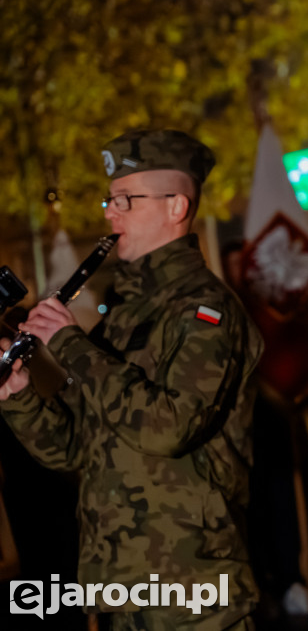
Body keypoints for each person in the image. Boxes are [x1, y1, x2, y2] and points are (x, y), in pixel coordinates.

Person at [0, 129, 263, 630]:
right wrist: (19, 396)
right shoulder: (124, 312)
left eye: (125, 199)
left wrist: (71, 344)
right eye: (110, 198)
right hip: (123, 584)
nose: (109, 212)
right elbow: (74, 446)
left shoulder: (207, 311)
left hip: (193, 589)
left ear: (176, 206)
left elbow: (168, 428)